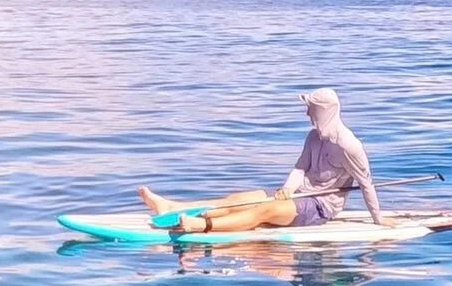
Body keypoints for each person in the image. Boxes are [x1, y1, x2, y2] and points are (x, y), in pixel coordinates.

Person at [137, 88, 384, 232]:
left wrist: (378, 222)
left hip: (321, 207)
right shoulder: (313, 137)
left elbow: (366, 184)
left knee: (262, 211)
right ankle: (172, 207)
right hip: (297, 195)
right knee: (236, 200)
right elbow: (300, 168)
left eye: (311, 108)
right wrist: (287, 188)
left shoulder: (350, 146)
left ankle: (200, 225)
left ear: (324, 111)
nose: (306, 112)